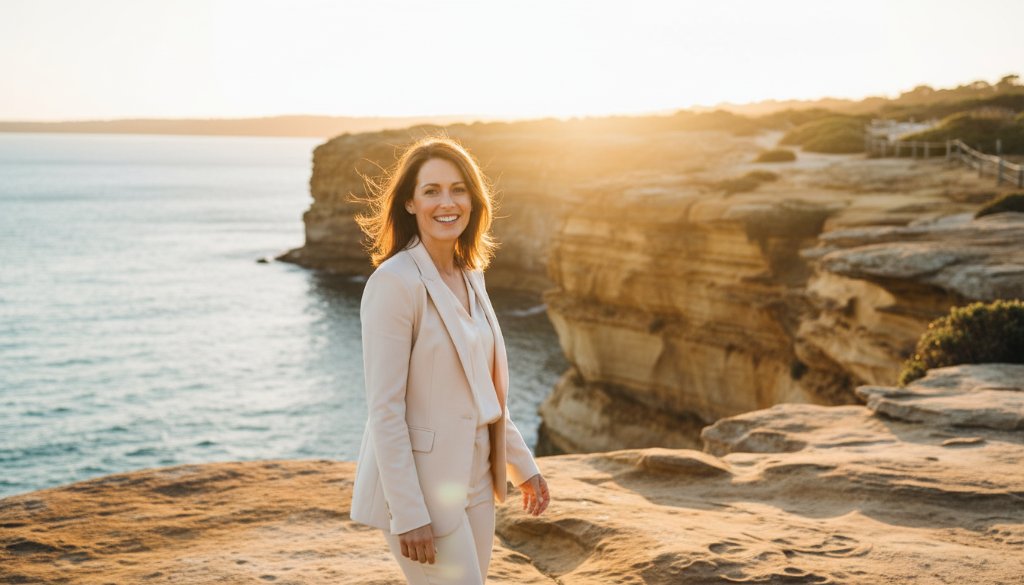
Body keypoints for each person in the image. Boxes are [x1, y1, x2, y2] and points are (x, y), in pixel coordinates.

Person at [348, 134, 551, 584]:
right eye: (432, 191)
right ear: (409, 204)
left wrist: (524, 467)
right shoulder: (394, 283)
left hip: (477, 482)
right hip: (424, 491)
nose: (448, 202)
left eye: (459, 189)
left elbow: (486, 391)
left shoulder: (471, 276)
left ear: (473, 200)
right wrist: (408, 512)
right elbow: (385, 410)